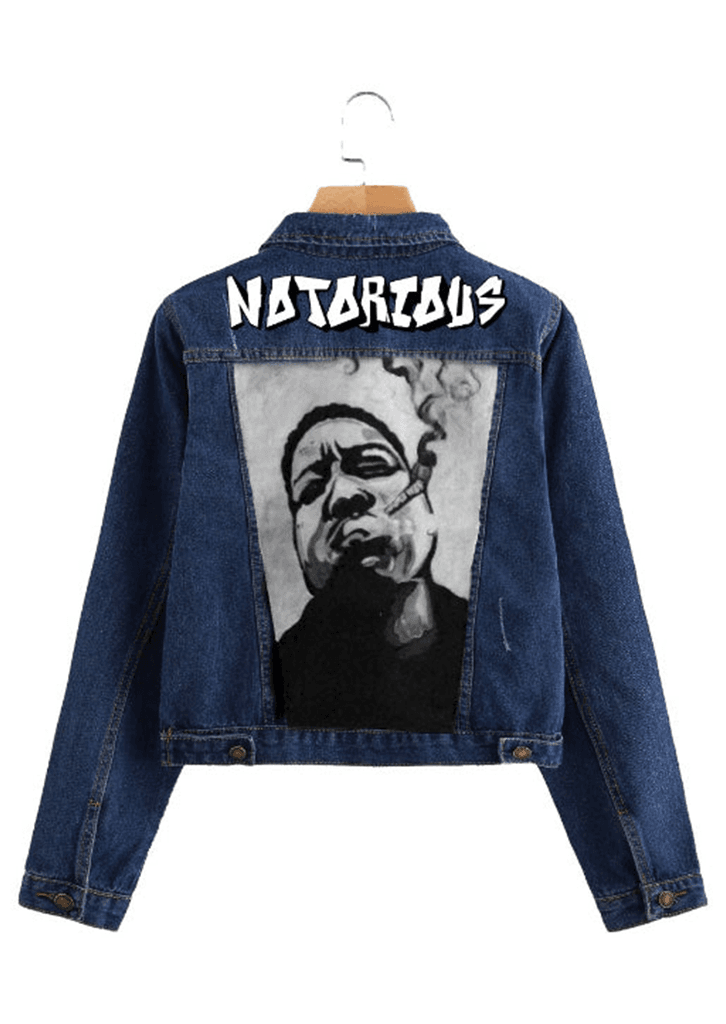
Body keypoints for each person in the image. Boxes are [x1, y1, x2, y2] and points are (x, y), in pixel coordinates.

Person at [272, 402, 468, 731]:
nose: (342, 494)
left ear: (426, 507)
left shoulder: (491, 648)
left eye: (373, 465)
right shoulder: (273, 677)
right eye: (311, 488)